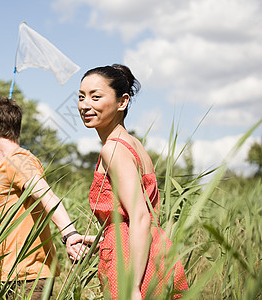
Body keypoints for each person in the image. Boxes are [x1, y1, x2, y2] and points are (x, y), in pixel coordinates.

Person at [76, 64, 189, 299]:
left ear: (122, 101)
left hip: (131, 265)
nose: (85, 105)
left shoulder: (113, 148)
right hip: (155, 255)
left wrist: (133, 286)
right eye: (81, 97)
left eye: (96, 97)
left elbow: (140, 216)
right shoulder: (134, 144)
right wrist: (104, 239)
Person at [0, 96, 86, 300]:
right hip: (16, 276)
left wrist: (70, 234)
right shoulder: (9, 164)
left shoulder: (17, 160)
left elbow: (45, 193)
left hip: (28, 277)